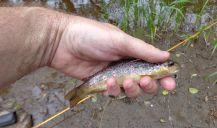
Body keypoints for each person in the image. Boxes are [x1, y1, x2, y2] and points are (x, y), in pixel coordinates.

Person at [0, 7, 175, 98]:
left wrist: (55, 38)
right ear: (160, 66)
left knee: (124, 86)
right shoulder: (153, 69)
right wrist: (55, 37)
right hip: (106, 74)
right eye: (169, 65)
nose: (172, 67)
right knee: (123, 85)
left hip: (110, 73)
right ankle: (83, 90)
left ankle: (84, 90)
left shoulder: (152, 69)